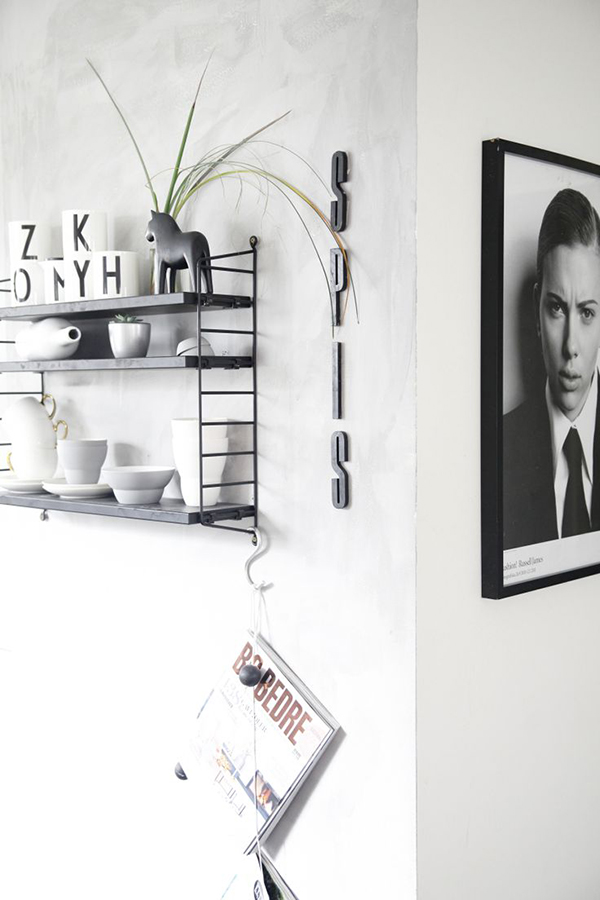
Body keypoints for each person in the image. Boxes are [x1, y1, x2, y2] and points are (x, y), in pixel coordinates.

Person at [503, 188, 600, 550]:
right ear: (536, 310)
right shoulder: (499, 449)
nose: (571, 346)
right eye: (557, 308)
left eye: (587, 312)